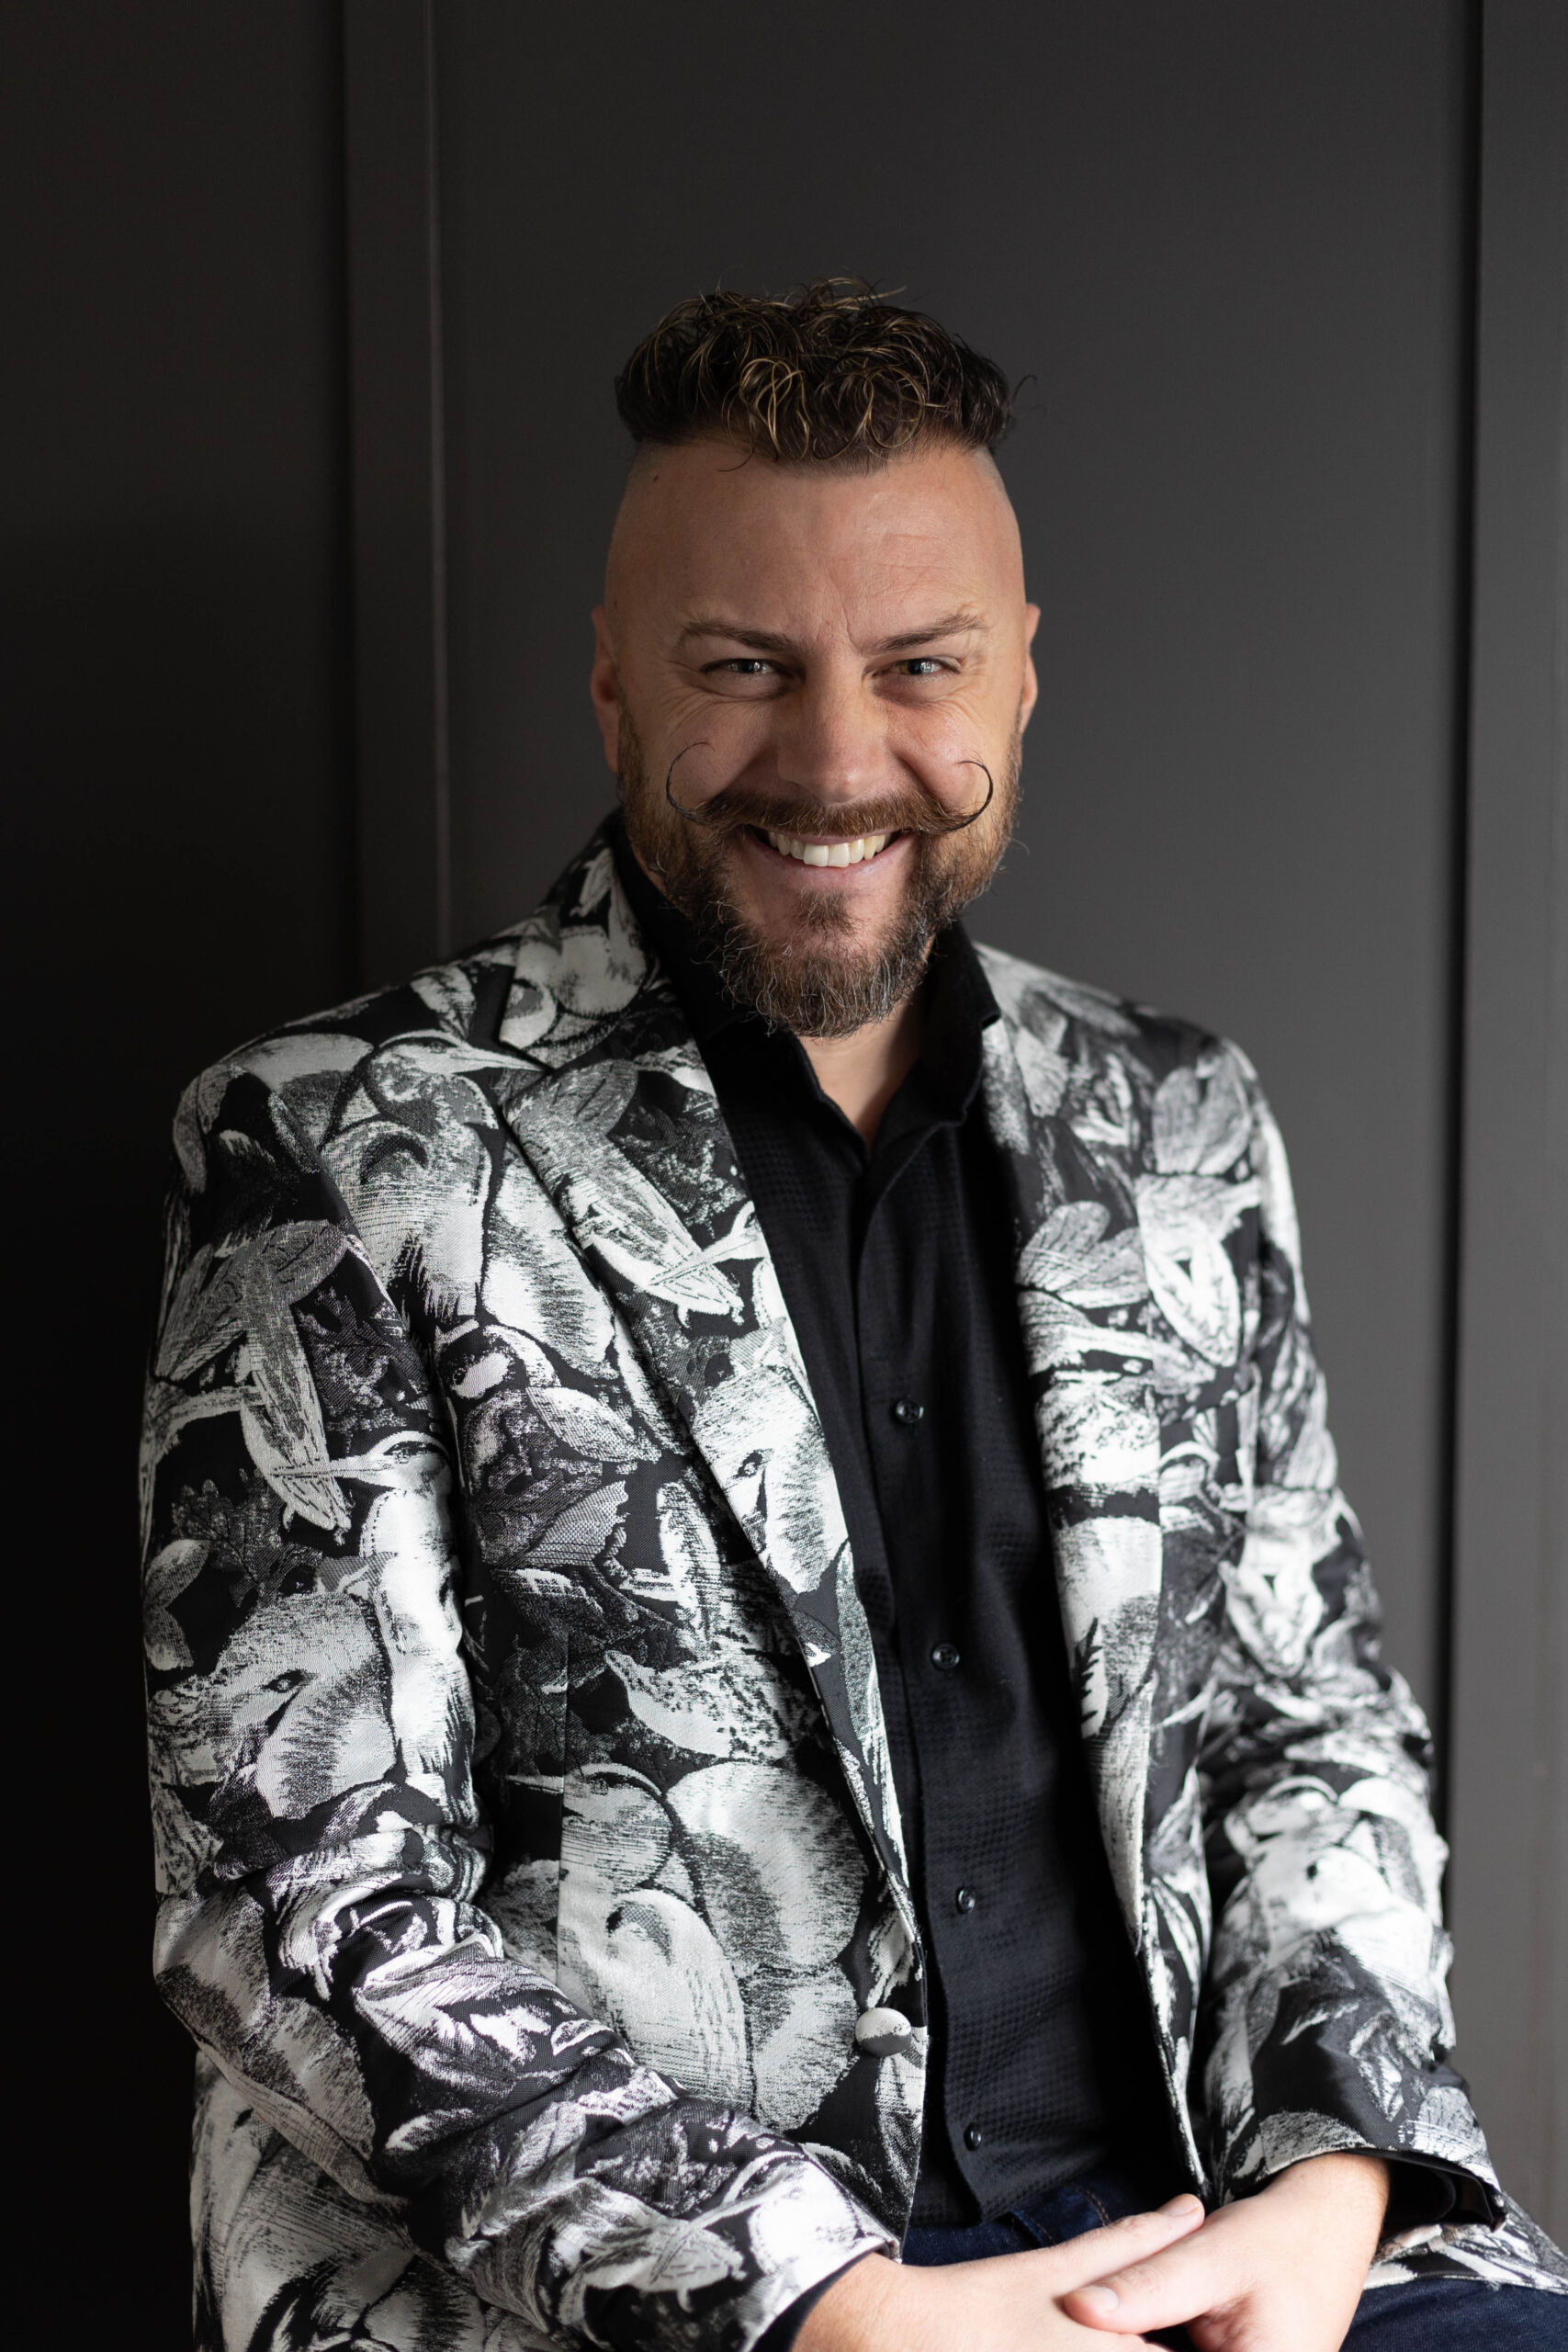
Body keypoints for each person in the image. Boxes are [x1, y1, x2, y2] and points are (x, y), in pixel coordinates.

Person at [141, 281, 1567, 2352]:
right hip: (646, 2303)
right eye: (743, 667)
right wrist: (830, 2302)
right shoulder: (337, 1143)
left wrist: (1331, 2179)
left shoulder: (1176, 1116)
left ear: (1018, 677)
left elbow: (1302, 1718)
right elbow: (301, 1900)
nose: (833, 758)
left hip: (1203, 2234)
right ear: (616, 685)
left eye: (917, 666)